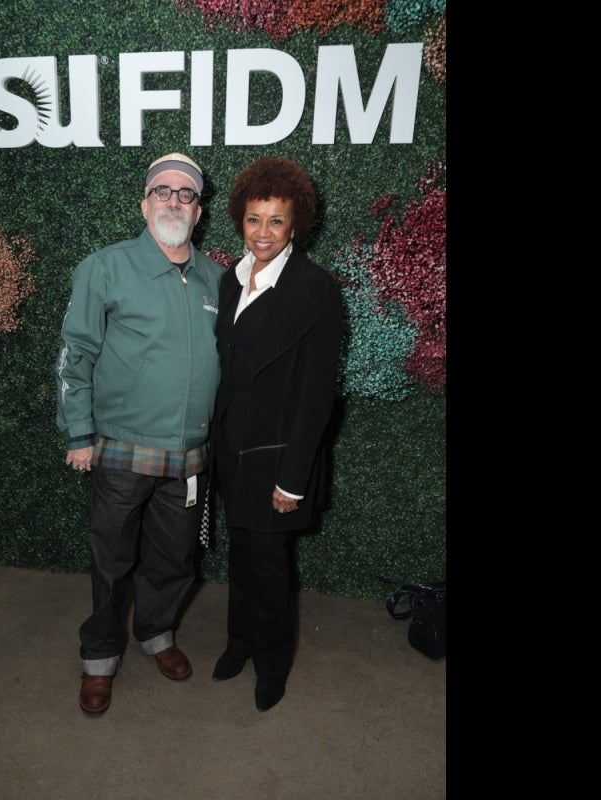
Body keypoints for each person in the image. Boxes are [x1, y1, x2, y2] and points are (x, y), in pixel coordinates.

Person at [55, 152, 222, 716]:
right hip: (120, 450)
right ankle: (100, 657)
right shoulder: (103, 268)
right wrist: (79, 433)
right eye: (163, 191)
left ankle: (157, 635)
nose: (173, 201)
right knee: (112, 561)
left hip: (192, 457)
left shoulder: (218, 278)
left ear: (199, 211)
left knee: (175, 559)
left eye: (186, 194)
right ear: (144, 203)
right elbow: (74, 356)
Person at [210, 156, 344, 711]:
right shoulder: (229, 279)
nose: (263, 232)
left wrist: (293, 479)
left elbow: (317, 396)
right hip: (230, 446)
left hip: (278, 456)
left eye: (276, 221)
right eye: (253, 219)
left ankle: (271, 663)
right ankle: (239, 641)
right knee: (240, 555)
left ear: (296, 226)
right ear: (241, 220)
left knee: (267, 564)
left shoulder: (316, 290)